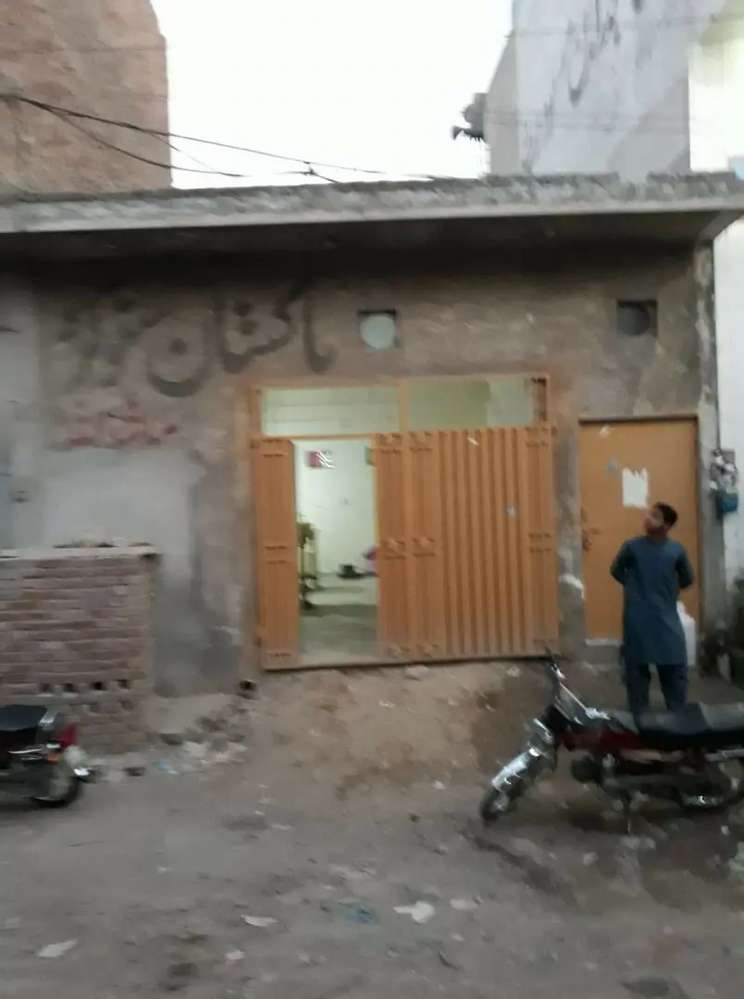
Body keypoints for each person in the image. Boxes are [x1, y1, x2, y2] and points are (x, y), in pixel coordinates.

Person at [610, 502, 695, 716]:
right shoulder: (632, 547)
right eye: (649, 514)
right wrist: (634, 587)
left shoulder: (676, 551)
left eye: (655, 516)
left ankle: (677, 717)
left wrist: (666, 590)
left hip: (665, 618)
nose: (648, 518)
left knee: (673, 667)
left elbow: (687, 579)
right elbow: (616, 570)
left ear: (666, 525)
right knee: (636, 670)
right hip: (637, 618)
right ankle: (640, 718)